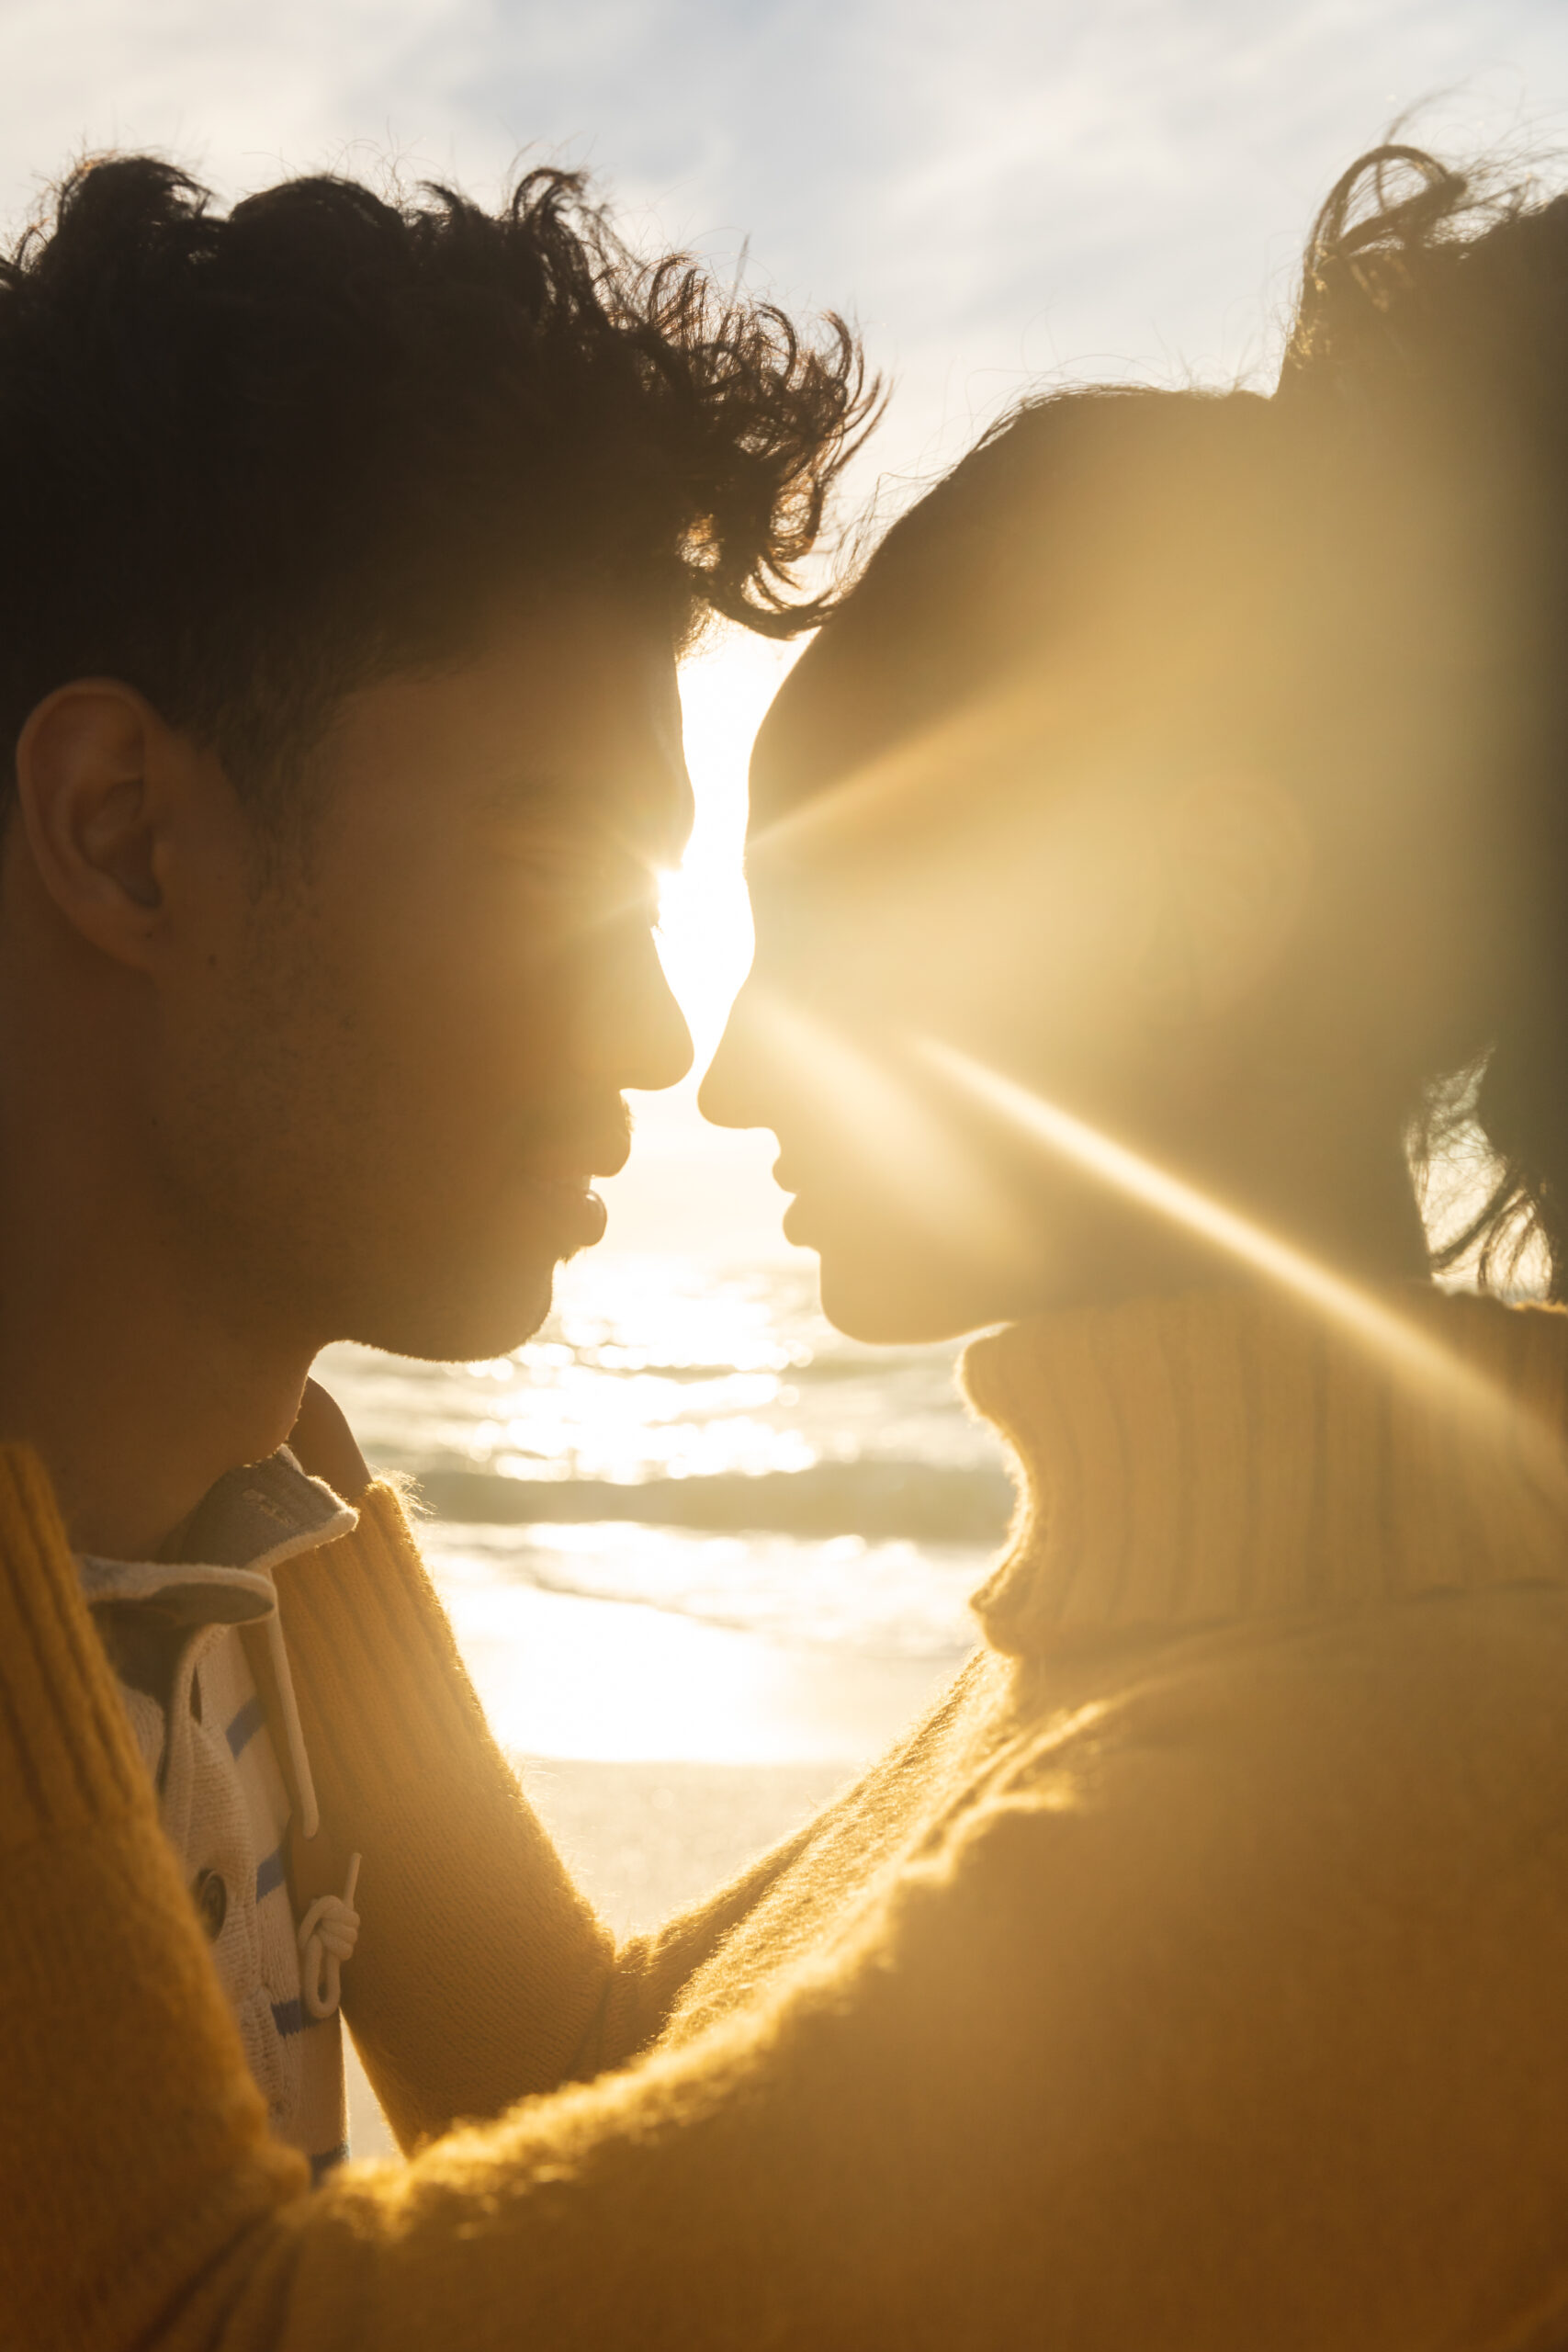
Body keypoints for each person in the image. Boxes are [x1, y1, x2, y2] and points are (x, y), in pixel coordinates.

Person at [8, 143, 1568, 2351]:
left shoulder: (1429, 1785)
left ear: (1193, 915)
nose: (706, 1061)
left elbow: (207, 2324)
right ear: (116, 837)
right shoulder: (1203, 1658)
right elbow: (619, 2113)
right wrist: (265, 1478)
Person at [0, 148, 869, 2195]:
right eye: (558, 867)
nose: (659, 1039)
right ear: (127, 834)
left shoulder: (253, 1533)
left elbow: (593, 2095)